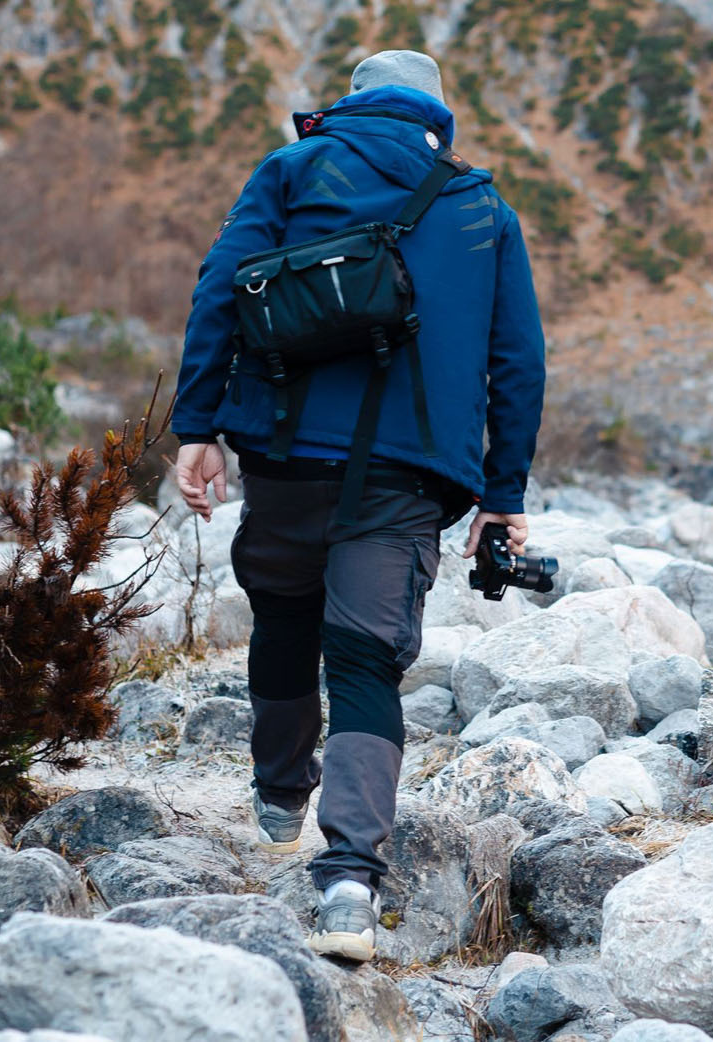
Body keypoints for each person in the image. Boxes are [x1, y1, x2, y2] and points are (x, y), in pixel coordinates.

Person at [170, 48, 546, 962]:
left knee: (285, 613)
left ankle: (278, 793)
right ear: (436, 117)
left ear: (350, 103)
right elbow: (518, 362)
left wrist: (198, 425)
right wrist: (501, 496)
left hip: (285, 452)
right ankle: (348, 885)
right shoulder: (482, 209)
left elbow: (220, 286)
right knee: (367, 658)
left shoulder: (293, 169)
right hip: (408, 475)